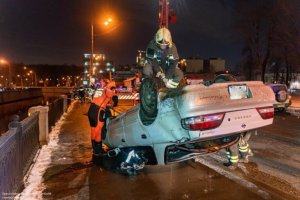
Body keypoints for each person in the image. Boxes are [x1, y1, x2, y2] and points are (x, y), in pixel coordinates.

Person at [88, 80, 118, 157]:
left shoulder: (99, 89)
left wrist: (106, 103)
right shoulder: (108, 90)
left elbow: (99, 99)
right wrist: (114, 93)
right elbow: (114, 103)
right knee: (98, 130)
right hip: (98, 110)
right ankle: (98, 150)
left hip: (92, 109)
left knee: (93, 129)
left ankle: (94, 148)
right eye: (113, 87)